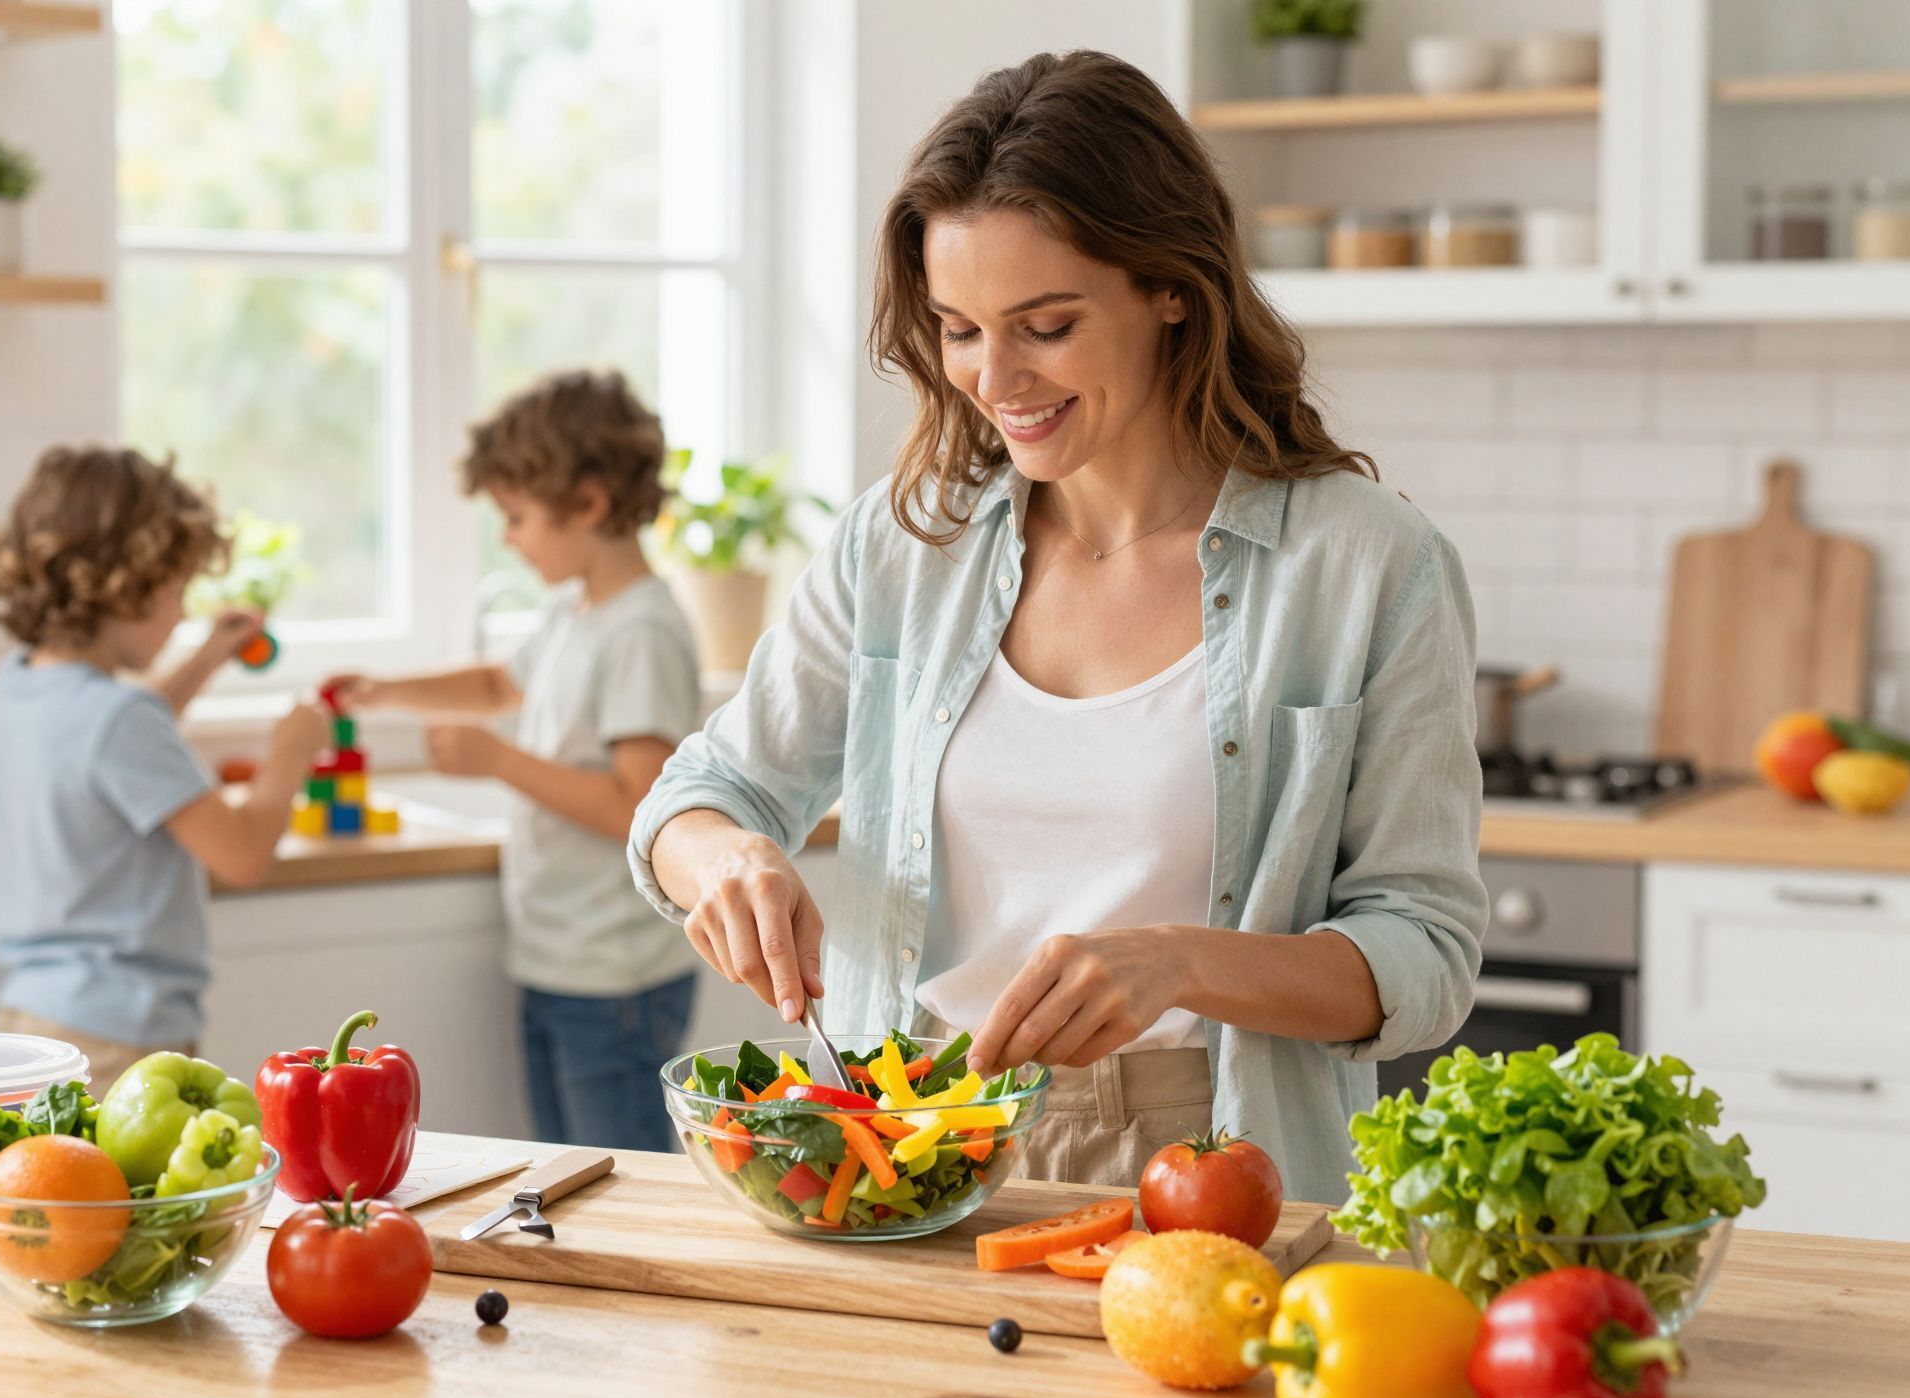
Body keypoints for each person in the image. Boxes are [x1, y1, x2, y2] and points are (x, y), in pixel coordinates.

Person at [626, 52, 1486, 1200]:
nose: (994, 377)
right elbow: (700, 793)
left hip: (1212, 1164)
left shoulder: (1367, 564)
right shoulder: (901, 546)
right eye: (958, 328)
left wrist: (1179, 964)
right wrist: (725, 857)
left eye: (1044, 324)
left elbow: (1422, 952)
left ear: (1170, 287)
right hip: (911, 1149)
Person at [328, 371, 701, 1153]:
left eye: (517, 517)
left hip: (616, 977)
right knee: (568, 1173)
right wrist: (388, 690)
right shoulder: (575, 613)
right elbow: (501, 682)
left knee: (618, 1179)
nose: (508, 538)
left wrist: (498, 760)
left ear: (589, 505)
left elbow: (642, 806)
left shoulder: (641, 633)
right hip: (560, 959)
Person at [0, 446, 331, 1081]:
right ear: (126, 588)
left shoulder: (15, 683)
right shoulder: (119, 718)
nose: (183, 610)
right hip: (119, 1038)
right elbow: (243, 854)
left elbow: (104, 748)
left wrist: (203, 661)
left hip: (32, 1023)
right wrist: (291, 754)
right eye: (176, 590)